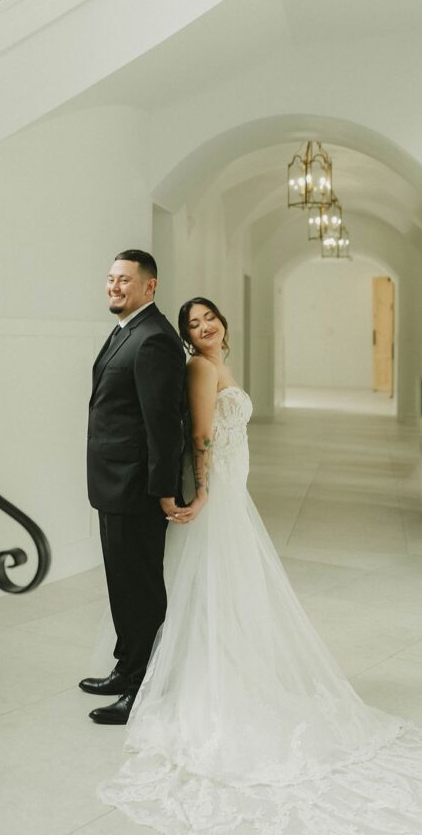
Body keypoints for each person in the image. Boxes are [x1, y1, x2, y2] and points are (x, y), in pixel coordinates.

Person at [98, 296, 422, 832]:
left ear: (223, 323)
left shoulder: (219, 362)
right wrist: (201, 493)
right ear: (185, 335)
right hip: (216, 490)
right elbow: (201, 436)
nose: (203, 328)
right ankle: (187, 673)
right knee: (215, 578)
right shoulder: (201, 367)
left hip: (232, 486)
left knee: (230, 581)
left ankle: (220, 662)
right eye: (193, 324)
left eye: (209, 319)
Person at [80, 250, 186, 725]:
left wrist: (163, 488)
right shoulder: (127, 330)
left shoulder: (155, 339)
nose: (114, 287)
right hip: (112, 483)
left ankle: (143, 685)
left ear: (150, 286)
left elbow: (162, 424)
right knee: (122, 584)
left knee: (141, 588)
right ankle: (126, 669)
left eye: (124, 280)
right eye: (110, 279)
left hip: (136, 487)